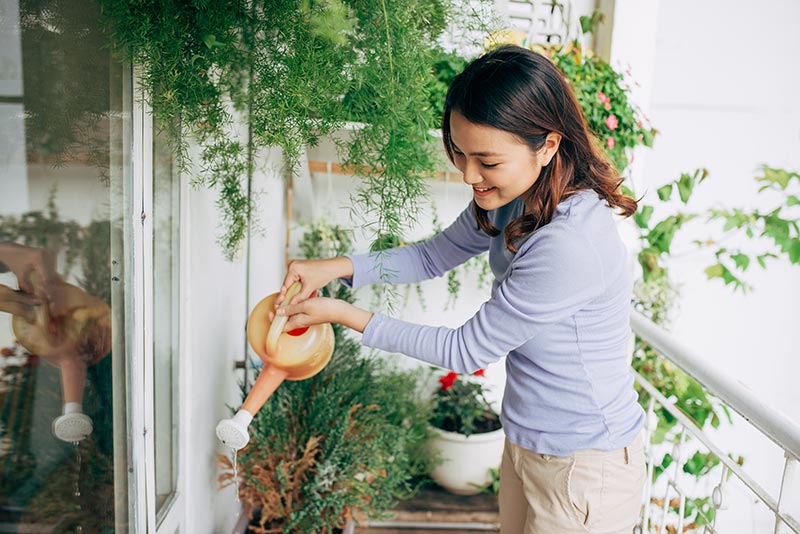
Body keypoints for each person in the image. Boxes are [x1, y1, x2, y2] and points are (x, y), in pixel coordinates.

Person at [271, 45, 646, 534]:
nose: (469, 176)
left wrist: (342, 314)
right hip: (529, 443)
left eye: (486, 161)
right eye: (460, 154)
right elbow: (432, 256)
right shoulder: (515, 196)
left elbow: (465, 349)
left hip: (584, 465)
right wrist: (337, 268)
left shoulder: (570, 243)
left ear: (548, 146)